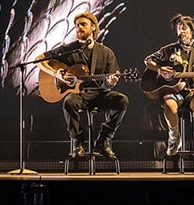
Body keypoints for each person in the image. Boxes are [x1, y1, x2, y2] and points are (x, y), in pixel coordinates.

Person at [39, 11, 128, 159]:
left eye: (83, 24)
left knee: (122, 100)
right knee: (69, 102)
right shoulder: (68, 49)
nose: (78, 27)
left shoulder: (106, 53)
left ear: (93, 27)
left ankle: (104, 139)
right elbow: (40, 59)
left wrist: (109, 82)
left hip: (98, 93)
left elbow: (108, 84)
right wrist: (56, 74)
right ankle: (78, 142)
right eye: (76, 25)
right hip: (78, 95)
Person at [143, 13, 194, 155]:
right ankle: (174, 137)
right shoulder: (169, 50)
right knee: (168, 104)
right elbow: (148, 60)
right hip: (175, 91)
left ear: (193, 31)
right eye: (178, 28)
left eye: (184, 28)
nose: (180, 31)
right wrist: (159, 69)